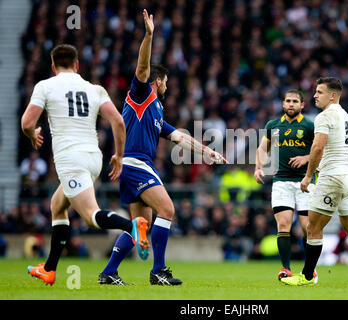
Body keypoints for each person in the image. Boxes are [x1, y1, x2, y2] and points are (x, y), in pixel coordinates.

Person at [98, 10, 227, 286]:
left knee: (139, 227)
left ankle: (109, 272)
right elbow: (142, 69)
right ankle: (158, 270)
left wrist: (208, 152)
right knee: (167, 210)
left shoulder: (155, 111)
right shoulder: (142, 96)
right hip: (136, 163)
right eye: (166, 81)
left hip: (132, 167)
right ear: (158, 81)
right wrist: (149, 34)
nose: (167, 85)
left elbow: (179, 137)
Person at [22, 44, 150, 285]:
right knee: (57, 205)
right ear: (77, 65)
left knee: (91, 216)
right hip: (94, 158)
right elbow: (119, 122)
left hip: (71, 160)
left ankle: (131, 226)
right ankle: (49, 269)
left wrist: (32, 134)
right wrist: (119, 156)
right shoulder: (94, 89)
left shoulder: (45, 86)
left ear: (53, 66)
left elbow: (27, 121)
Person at [281, 77, 348, 288]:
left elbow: (317, 148)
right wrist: (340, 165)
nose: (314, 95)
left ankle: (306, 276)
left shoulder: (324, 117)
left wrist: (308, 176)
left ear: (332, 95)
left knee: (313, 228)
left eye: (319, 92)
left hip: (332, 178)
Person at [254, 89, 318, 282]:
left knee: (308, 228)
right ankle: (286, 269)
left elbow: (320, 150)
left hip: (305, 182)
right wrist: (258, 168)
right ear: (283, 104)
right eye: (288, 101)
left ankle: (310, 270)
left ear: (302, 105)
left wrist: (306, 157)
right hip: (281, 181)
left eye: (295, 101)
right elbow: (263, 148)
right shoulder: (273, 125)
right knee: (283, 225)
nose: (291, 104)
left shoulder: (309, 125)